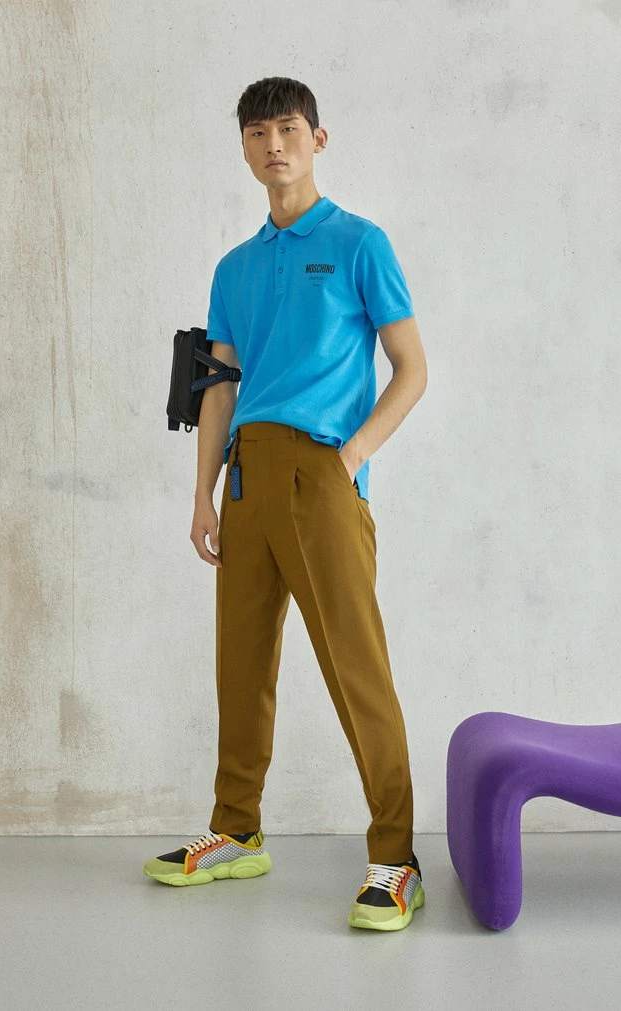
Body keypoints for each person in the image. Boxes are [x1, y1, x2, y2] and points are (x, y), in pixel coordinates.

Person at [143, 76, 428, 932]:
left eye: (289, 128)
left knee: (355, 667)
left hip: (322, 474)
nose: (274, 144)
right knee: (241, 665)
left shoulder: (358, 243)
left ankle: (396, 858)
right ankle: (237, 830)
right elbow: (219, 387)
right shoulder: (233, 268)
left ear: (318, 139)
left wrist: (352, 456)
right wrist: (203, 492)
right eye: (258, 132)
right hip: (245, 481)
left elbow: (412, 368)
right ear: (243, 147)